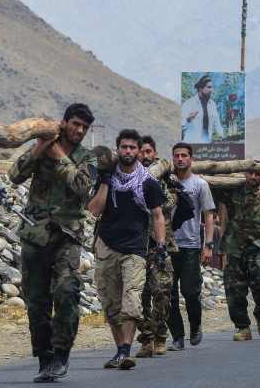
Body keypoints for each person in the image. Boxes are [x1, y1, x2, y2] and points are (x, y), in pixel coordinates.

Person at [8, 103, 97, 382]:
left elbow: (83, 187)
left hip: (67, 237)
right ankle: (44, 357)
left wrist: (59, 156)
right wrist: (40, 148)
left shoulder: (88, 158)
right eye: (75, 124)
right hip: (36, 233)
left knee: (66, 291)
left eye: (84, 127)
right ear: (64, 122)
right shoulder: (45, 146)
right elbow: (14, 175)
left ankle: (61, 354)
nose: (79, 131)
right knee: (36, 300)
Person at [87, 129, 166, 369]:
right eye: (124, 147)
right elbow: (94, 210)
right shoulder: (107, 177)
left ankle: (125, 350)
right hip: (107, 245)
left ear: (140, 152)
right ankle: (120, 349)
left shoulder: (148, 183)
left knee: (131, 300)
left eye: (133, 148)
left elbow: (158, 215)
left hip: (135, 249)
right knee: (111, 303)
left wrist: (161, 246)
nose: (128, 152)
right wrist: (105, 181)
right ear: (118, 149)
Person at [148, 143, 215, 350]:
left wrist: (209, 245)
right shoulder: (164, 183)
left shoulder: (200, 185)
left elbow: (208, 215)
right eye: (176, 155)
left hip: (191, 246)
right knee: (169, 293)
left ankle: (195, 326)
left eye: (184, 155)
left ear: (191, 159)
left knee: (190, 291)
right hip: (167, 245)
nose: (179, 159)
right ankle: (177, 336)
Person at [215, 170, 260, 340]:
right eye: (250, 173)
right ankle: (243, 327)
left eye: (257, 174)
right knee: (234, 291)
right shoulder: (233, 192)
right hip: (234, 249)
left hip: (259, 248)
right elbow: (214, 191)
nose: (253, 177)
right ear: (245, 175)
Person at [133, 136, 176, 358]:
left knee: (162, 291)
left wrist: (153, 185)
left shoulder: (165, 179)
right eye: (142, 152)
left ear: (155, 153)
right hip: (137, 245)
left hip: (160, 245)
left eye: (149, 152)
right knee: (139, 295)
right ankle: (146, 338)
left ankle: (160, 334)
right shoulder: (128, 177)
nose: (145, 156)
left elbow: (169, 202)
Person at [180, 75, 223, 144]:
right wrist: (188, 119)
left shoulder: (212, 104)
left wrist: (222, 136)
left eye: (212, 87)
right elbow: (181, 125)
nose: (211, 90)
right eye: (209, 87)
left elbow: (217, 124)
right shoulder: (189, 103)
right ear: (200, 88)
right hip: (192, 144)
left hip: (207, 144)